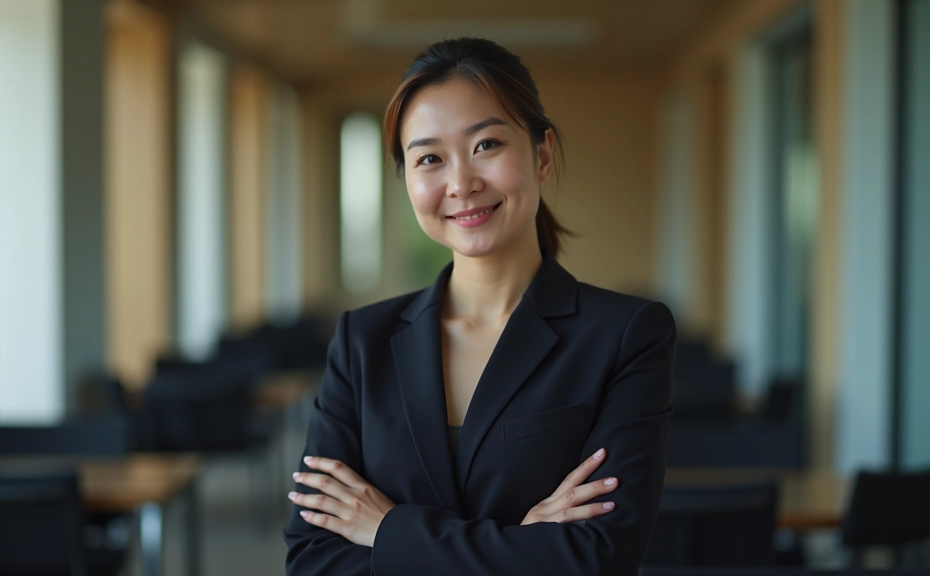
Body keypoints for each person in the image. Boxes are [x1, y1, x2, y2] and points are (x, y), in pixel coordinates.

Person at [284, 37, 675, 576]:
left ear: (541, 154)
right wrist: (522, 545)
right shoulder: (360, 341)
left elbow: (597, 558)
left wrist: (385, 529)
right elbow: (313, 560)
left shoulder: (627, 335)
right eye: (429, 158)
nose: (462, 183)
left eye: (486, 145)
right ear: (408, 181)